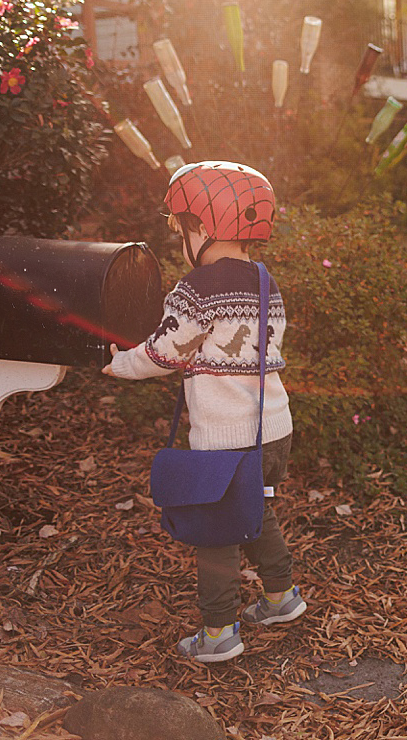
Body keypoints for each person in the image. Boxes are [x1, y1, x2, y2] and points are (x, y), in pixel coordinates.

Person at [104, 160, 305, 661]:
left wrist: (121, 365)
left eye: (182, 230)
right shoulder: (265, 280)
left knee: (216, 532)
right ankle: (280, 598)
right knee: (257, 508)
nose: (181, 243)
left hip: (226, 435)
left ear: (202, 227)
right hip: (273, 427)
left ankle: (218, 634)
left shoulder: (198, 287)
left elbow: (166, 352)